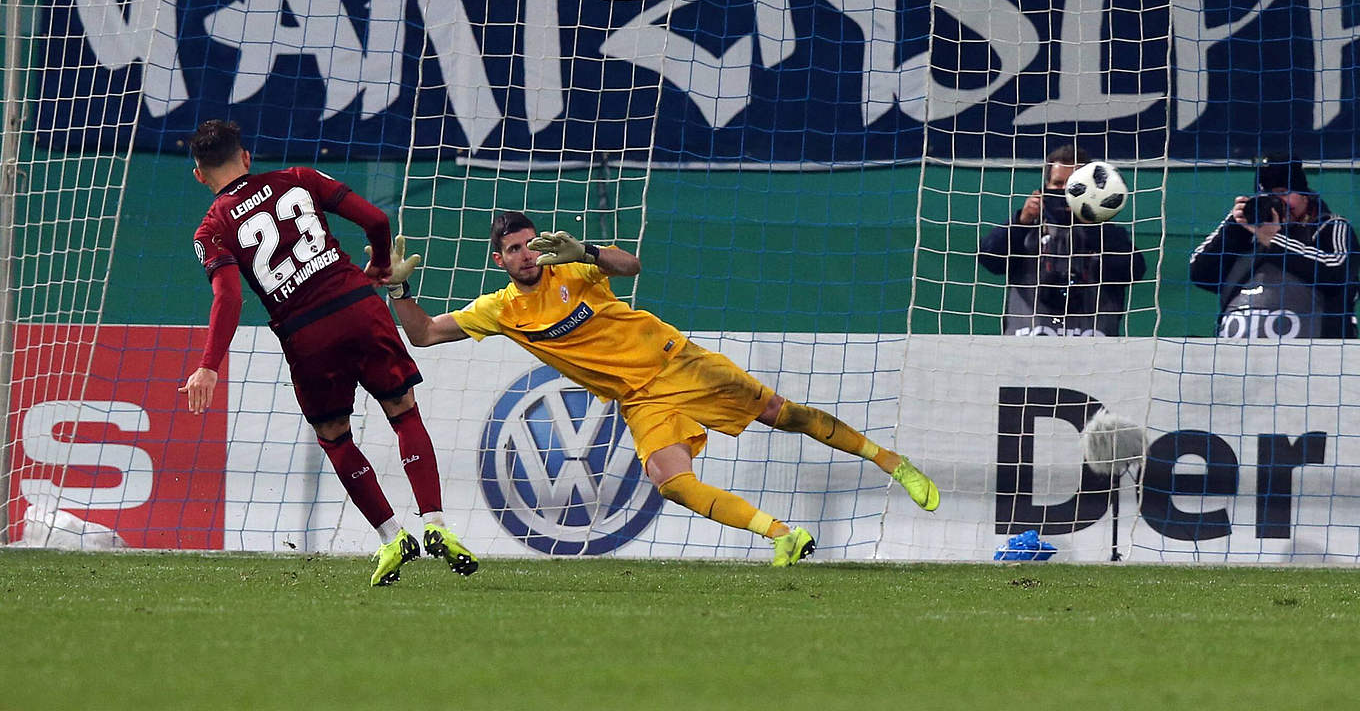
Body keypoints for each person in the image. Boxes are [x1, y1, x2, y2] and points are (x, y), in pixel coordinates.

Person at [379, 212, 940, 566]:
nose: (527, 255)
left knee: (782, 414)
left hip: (677, 363)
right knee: (670, 482)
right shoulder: (499, 310)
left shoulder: (572, 270)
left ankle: (894, 462)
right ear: (498, 259)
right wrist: (400, 287)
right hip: (640, 398)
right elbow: (425, 335)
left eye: (531, 245)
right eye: (516, 250)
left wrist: (589, 253)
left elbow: (633, 264)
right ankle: (783, 535)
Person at [177, 119, 477, 586]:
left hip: (305, 332)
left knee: (335, 436)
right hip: (358, 306)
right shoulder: (299, 177)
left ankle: (392, 536)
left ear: (199, 175)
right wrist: (379, 264)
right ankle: (435, 524)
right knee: (402, 411)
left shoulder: (211, 227)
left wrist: (208, 367)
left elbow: (230, 298)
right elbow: (378, 221)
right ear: (247, 157)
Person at [978, 144, 1146, 336]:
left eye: (1073, 185)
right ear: (1043, 189)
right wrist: (1020, 222)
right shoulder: (1026, 232)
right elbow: (990, 260)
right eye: (1058, 184)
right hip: (1026, 350)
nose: (1065, 192)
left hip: (1096, 351)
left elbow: (1133, 271)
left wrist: (1094, 227)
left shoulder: (1108, 235)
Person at [1189, 154, 1359, 339]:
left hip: (1315, 359)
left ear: (1305, 195)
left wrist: (1274, 240)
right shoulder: (1247, 231)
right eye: (1268, 195)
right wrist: (1235, 225)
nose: (1277, 202)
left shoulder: (1331, 226)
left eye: (1284, 192)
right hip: (1235, 360)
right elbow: (1200, 273)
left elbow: (1337, 273)